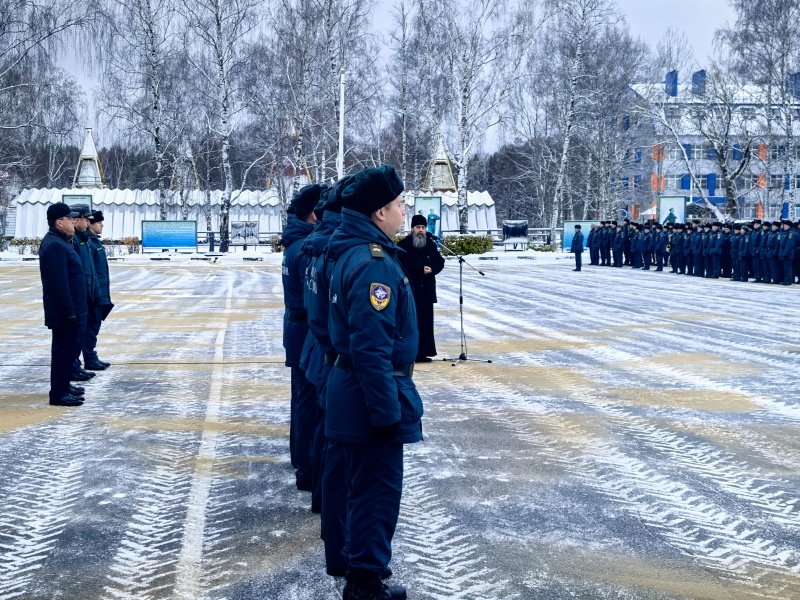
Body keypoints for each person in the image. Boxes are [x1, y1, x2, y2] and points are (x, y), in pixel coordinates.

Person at [326, 165, 422, 600]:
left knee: (363, 488)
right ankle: (365, 583)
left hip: (355, 393)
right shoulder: (372, 263)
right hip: (370, 399)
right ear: (380, 212)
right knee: (375, 493)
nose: (405, 212)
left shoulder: (358, 252)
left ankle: (364, 571)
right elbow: (371, 347)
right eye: (400, 205)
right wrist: (386, 413)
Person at [282, 183, 328, 491]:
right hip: (305, 330)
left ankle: (301, 458)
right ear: (314, 214)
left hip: (296, 328)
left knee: (301, 398)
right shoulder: (306, 247)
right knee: (308, 402)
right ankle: (307, 466)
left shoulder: (295, 242)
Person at [38, 202, 87, 406]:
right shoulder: (55, 245)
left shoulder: (61, 242)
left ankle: (64, 386)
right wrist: (69, 311)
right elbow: (59, 283)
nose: (73, 222)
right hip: (65, 311)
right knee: (62, 351)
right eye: (69, 219)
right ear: (59, 222)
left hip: (71, 309)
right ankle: (58, 393)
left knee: (68, 351)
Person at [397, 214, 446, 361]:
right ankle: (412, 353)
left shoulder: (430, 244)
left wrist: (432, 268)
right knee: (412, 323)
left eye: (423, 227)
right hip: (411, 291)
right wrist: (420, 269)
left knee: (426, 323)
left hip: (427, 291)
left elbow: (440, 261)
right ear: (412, 229)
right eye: (418, 227)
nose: (421, 230)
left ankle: (424, 352)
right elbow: (401, 264)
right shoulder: (404, 245)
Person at [69, 205, 100, 380]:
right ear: (76, 219)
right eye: (86, 219)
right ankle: (73, 366)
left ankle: (75, 365)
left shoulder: (84, 240)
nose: (89, 223)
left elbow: (91, 271)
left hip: (86, 294)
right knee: (73, 335)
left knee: (81, 332)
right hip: (77, 296)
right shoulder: (73, 241)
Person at [82, 210, 113, 369]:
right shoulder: (88, 242)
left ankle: (91, 355)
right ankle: (89, 357)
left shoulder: (94, 241)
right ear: (90, 224)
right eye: (99, 222)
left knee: (95, 325)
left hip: (100, 290)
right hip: (95, 292)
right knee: (91, 326)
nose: (102, 225)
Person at [778, 219, 795, 285]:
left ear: (789, 226)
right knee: (785, 268)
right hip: (783, 252)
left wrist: (785, 253)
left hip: (788, 253)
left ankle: (788, 280)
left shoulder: (790, 233)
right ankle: (785, 280)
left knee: (788, 268)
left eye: (785, 225)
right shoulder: (785, 233)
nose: (784, 226)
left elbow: (789, 245)